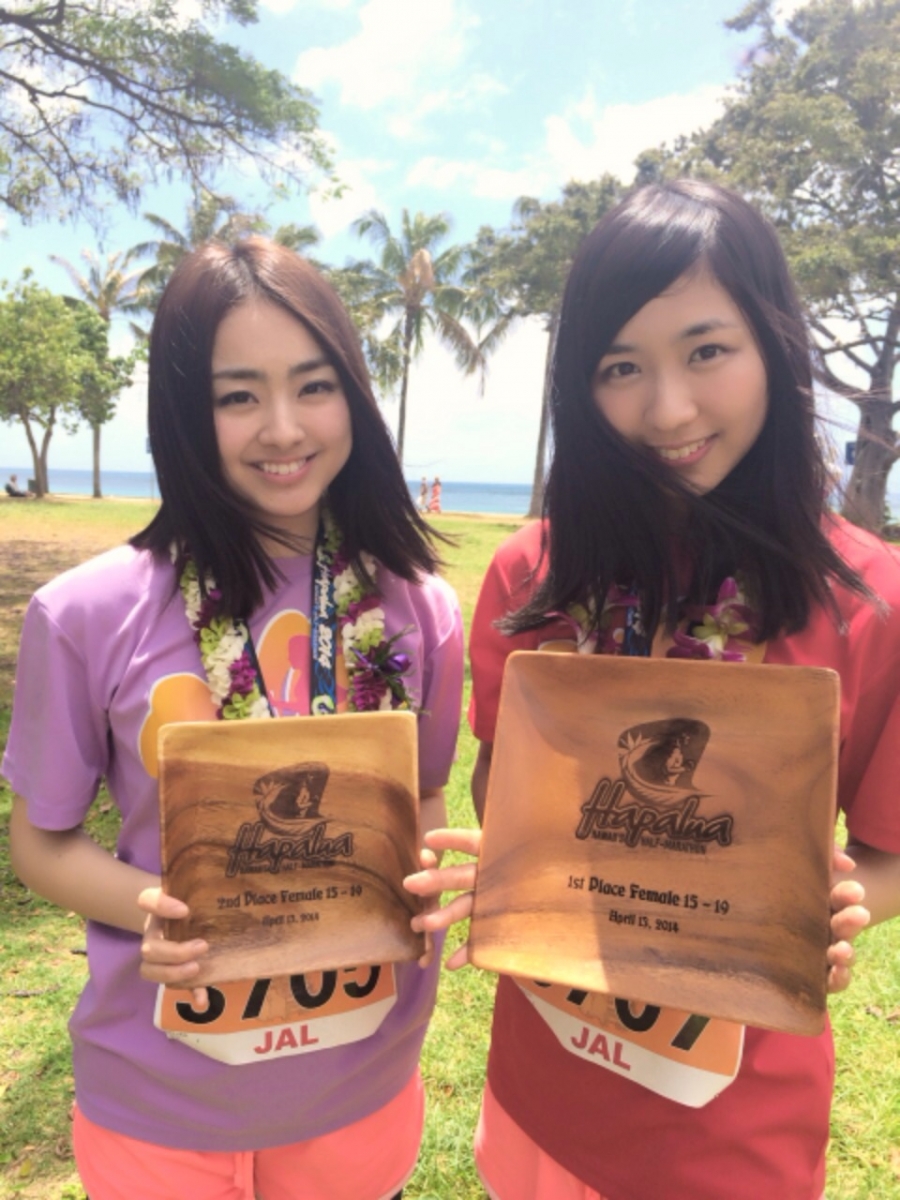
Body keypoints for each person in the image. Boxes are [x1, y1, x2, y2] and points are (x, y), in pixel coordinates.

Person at [405, 180, 900, 1200]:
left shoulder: (868, 600)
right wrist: (509, 859)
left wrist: (828, 911)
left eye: (707, 351)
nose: (668, 410)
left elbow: (890, 854)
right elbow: (505, 788)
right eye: (621, 367)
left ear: (776, 345)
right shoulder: (534, 575)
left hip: (733, 1133)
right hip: (542, 1082)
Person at [3, 238, 464, 1200]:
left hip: (361, 1086)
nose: (283, 428)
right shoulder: (86, 613)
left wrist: (431, 881)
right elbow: (42, 845)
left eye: (314, 385)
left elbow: (423, 796)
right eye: (237, 395)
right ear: (184, 411)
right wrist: (156, 908)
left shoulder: (420, 608)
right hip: (160, 1100)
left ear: (353, 395)